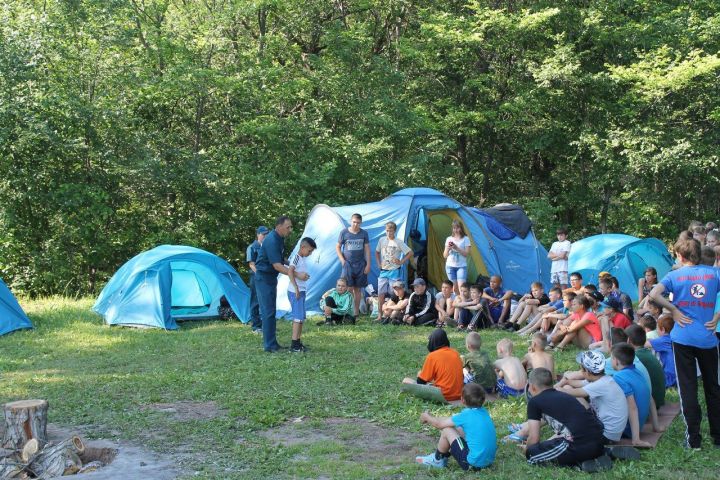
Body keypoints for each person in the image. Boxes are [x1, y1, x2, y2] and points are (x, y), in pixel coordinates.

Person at [648, 236, 720, 449]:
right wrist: (717, 316)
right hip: (707, 338)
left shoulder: (674, 275)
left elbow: (653, 293)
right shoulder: (714, 273)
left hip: (683, 338)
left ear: (679, 255)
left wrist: (675, 310)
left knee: (687, 388)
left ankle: (694, 440)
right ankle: (718, 437)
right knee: (713, 387)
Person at [523, 368, 608, 470]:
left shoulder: (534, 402)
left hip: (579, 446)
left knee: (532, 455)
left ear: (532, 387)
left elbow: (534, 438)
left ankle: (580, 465)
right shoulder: (565, 394)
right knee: (551, 443)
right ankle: (606, 453)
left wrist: (527, 449)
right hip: (599, 440)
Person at [415, 383, 497, 470]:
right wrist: (432, 418)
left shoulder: (465, 415)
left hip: (472, 465)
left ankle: (437, 460)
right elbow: (449, 420)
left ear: (462, 400)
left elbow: (439, 425)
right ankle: (443, 456)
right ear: (483, 400)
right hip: (488, 462)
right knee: (459, 429)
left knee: (447, 430)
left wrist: (427, 417)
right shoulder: (484, 412)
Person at [555, 350, 629, 445]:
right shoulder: (603, 379)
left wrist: (556, 387)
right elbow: (575, 383)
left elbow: (569, 393)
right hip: (608, 430)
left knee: (570, 413)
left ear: (588, 372)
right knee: (567, 388)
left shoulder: (600, 385)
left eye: (582, 369)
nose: (581, 372)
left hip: (605, 436)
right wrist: (565, 381)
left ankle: (558, 438)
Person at [254, 216, 293, 353]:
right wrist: (295, 274)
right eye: (288, 227)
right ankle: (269, 345)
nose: (290, 230)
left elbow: (281, 259)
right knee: (268, 312)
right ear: (279, 226)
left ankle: (272, 343)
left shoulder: (279, 239)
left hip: (270, 278)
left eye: (291, 227)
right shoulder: (271, 240)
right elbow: (277, 265)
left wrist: (292, 265)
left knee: (270, 310)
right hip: (264, 278)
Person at [403, 329, 464, 402]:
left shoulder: (432, 356)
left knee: (406, 380)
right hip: (458, 395)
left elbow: (421, 382)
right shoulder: (455, 353)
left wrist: (419, 375)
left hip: (443, 395)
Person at [610, 343, 653, 447]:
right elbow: (651, 398)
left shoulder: (619, 377)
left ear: (616, 361)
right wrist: (656, 426)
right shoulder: (637, 372)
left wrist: (636, 439)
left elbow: (632, 407)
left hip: (627, 429)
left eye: (610, 358)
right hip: (640, 425)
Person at [375, 221, 413, 322]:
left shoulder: (398, 242)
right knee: (380, 293)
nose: (388, 233)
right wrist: (379, 263)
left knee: (395, 292)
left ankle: (393, 314)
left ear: (394, 231)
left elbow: (410, 253)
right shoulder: (382, 240)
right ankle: (380, 315)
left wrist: (401, 262)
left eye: (391, 231)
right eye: (387, 231)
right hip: (384, 270)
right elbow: (377, 252)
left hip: (394, 270)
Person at [336, 213, 370, 318]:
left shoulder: (364, 233)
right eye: (354, 222)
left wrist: (368, 264)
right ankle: (347, 311)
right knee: (348, 289)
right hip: (348, 264)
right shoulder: (344, 232)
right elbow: (338, 247)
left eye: (358, 223)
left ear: (361, 223)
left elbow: (367, 250)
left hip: (360, 264)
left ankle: (355, 313)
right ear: (351, 221)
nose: (356, 224)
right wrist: (342, 260)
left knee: (358, 289)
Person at [287, 237, 317, 353]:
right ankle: (294, 345)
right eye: (309, 251)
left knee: (301, 318)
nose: (310, 253)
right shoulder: (296, 258)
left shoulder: (302, 258)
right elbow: (290, 271)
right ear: (303, 247)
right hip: (296, 292)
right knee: (297, 318)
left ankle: (298, 342)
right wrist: (296, 288)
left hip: (301, 291)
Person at [626, 324, 666, 409]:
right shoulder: (646, 353)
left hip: (651, 404)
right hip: (657, 401)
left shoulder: (635, 357)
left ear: (628, 340)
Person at [246, 226, 270, 334]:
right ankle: (256, 326)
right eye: (263, 234)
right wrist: (260, 275)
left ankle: (265, 325)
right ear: (258, 234)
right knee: (255, 302)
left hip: (266, 277)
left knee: (265, 301)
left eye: (266, 234)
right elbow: (251, 264)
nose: (265, 236)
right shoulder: (252, 247)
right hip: (256, 278)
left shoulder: (267, 246)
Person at [647, 315, 677, 387]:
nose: (656, 331)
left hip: (670, 377)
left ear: (663, 329)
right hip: (679, 374)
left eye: (657, 328)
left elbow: (642, 343)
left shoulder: (663, 340)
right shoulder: (674, 337)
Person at [443, 220, 472, 295]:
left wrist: (456, 248)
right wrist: (448, 248)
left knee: (462, 288)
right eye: (454, 228)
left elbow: (466, 254)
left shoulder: (466, 239)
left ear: (461, 228)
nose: (456, 230)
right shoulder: (449, 239)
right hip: (450, 266)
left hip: (461, 266)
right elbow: (445, 255)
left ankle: (464, 303)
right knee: (454, 288)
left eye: (457, 228)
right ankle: (458, 304)